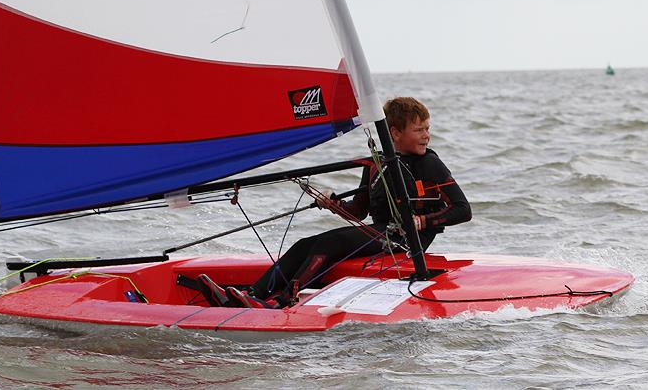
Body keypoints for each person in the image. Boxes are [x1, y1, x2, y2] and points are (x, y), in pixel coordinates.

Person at [197, 97, 471, 309]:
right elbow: (359, 211)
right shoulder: (377, 164)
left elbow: (463, 209)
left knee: (329, 244)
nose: (426, 135)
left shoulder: (429, 164)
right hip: (381, 232)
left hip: (409, 240)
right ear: (394, 133)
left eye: (427, 128)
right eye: (419, 130)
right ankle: (252, 295)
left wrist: (421, 221)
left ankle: (282, 300)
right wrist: (334, 205)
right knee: (305, 244)